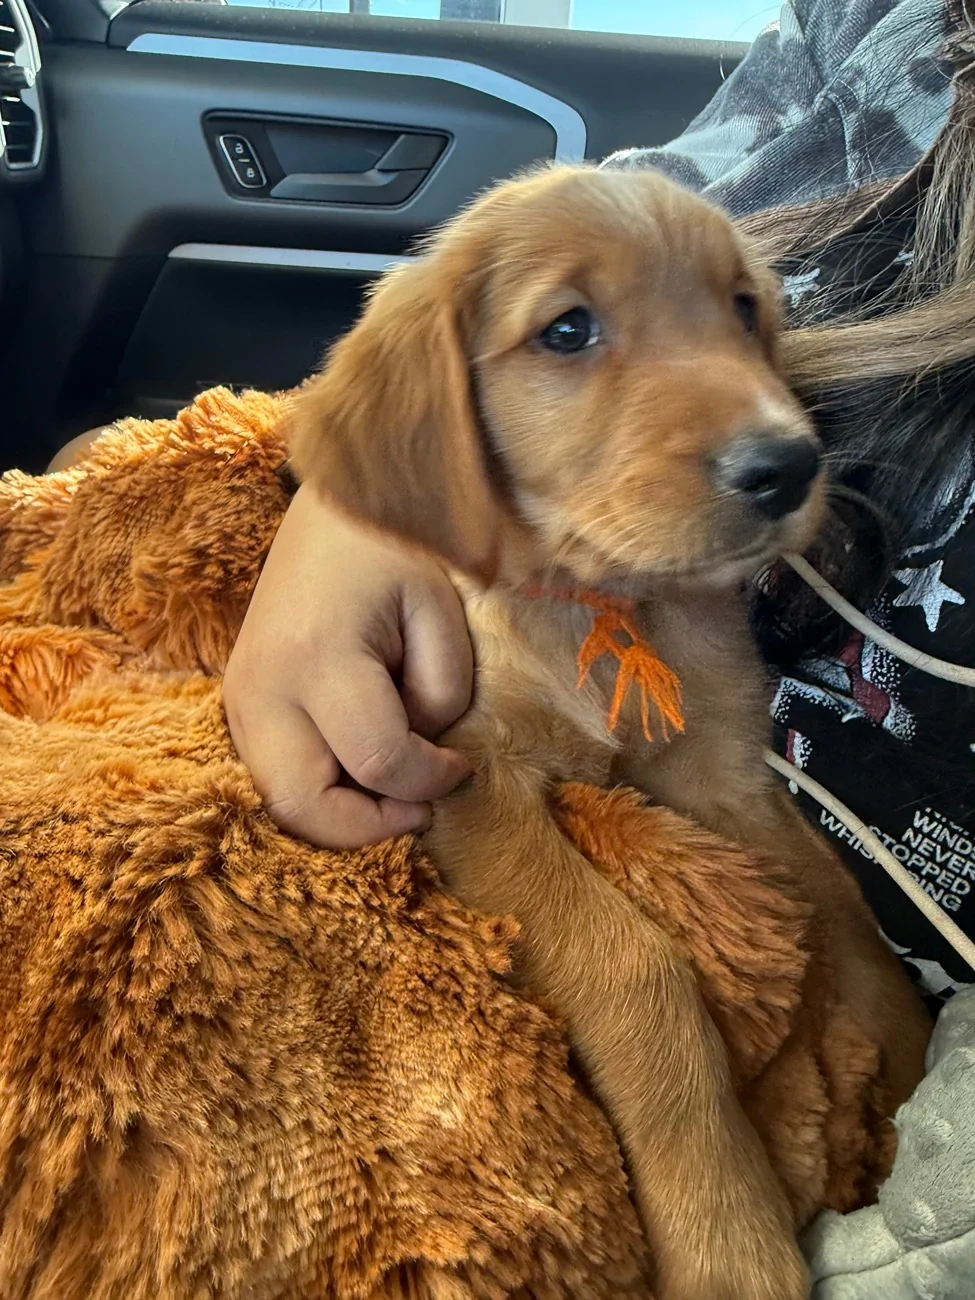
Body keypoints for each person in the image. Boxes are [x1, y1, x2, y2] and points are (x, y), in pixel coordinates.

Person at [224, 0, 975, 1002]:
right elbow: (634, 211)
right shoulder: (888, 19)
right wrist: (355, 511)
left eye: (745, 316)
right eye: (573, 331)